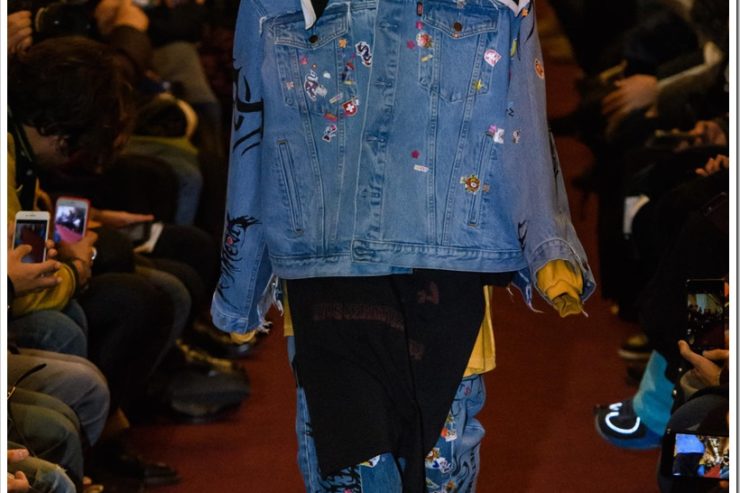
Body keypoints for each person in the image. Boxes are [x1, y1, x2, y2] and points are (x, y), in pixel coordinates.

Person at [213, 0, 594, 491]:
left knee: (388, 468)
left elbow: (523, 99)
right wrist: (548, 243)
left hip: (396, 270)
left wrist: (548, 240)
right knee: (378, 466)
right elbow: (253, 117)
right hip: (383, 269)